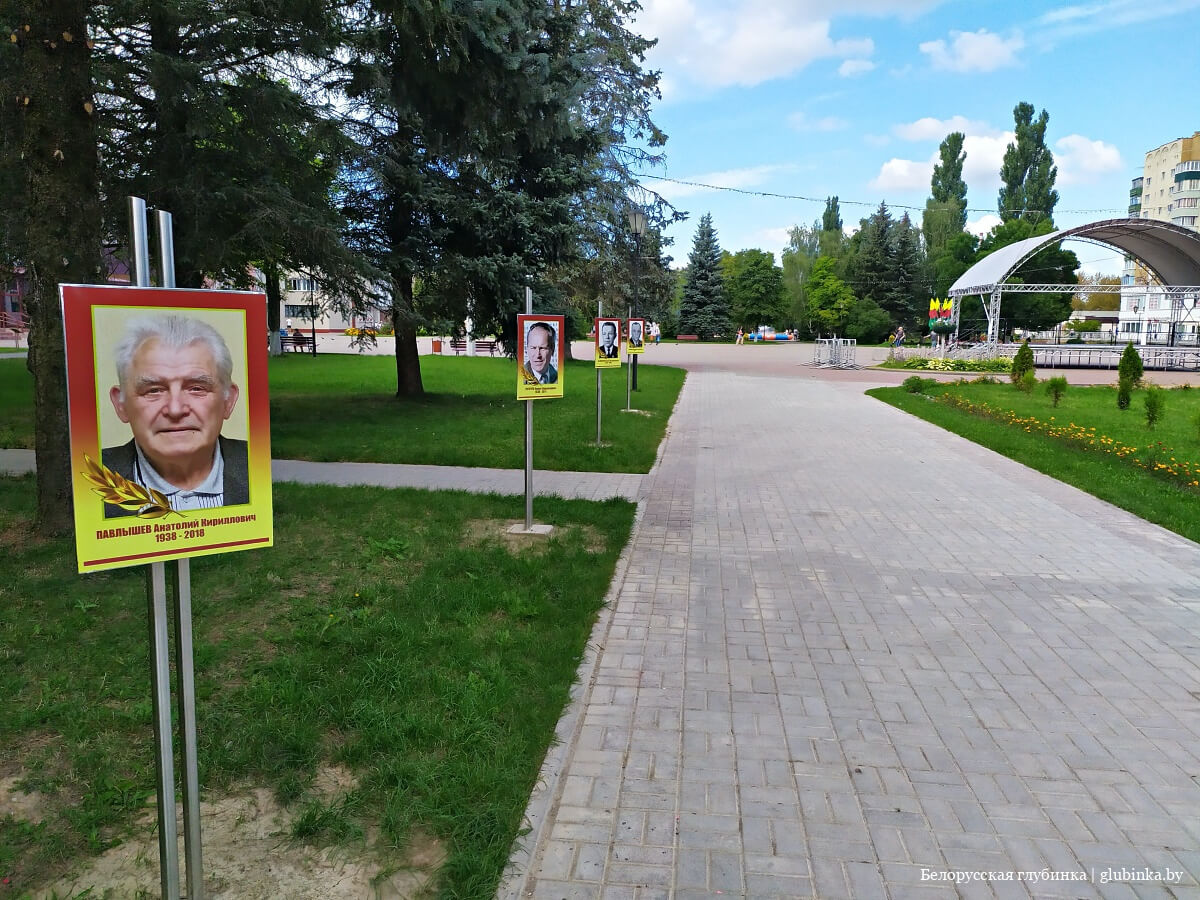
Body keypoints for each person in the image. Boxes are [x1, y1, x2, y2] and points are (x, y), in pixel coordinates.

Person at [103, 314, 247, 518]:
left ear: (228, 401)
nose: (175, 409)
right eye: (153, 390)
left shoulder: (257, 467)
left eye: (197, 388)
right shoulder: (89, 477)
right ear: (121, 404)